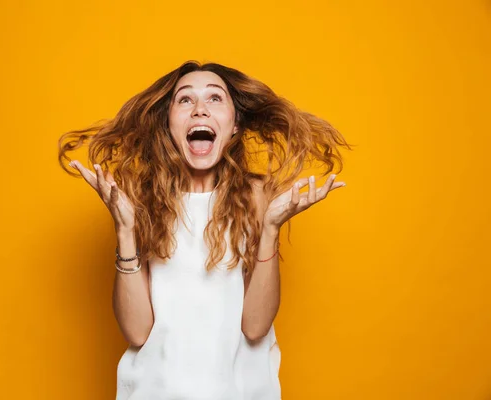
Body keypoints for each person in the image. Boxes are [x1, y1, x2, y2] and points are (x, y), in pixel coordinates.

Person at [58, 60, 353, 399]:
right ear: (168, 124)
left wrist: (270, 228)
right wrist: (124, 229)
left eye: (215, 99)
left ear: (235, 124)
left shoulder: (257, 197)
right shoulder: (141, 200)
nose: (200, 110)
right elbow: (138, 333)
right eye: (185, 100)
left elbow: (255, 328)